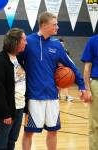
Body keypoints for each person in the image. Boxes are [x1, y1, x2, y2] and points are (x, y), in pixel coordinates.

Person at [18, 11, 87, 150]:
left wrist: (81, 85)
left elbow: (72, 66)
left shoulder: (57, 45)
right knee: (29, 132)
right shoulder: (28, 42)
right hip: (33, 96)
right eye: (54, 25)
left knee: (53, 131)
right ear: (44, 25)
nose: (57, 28)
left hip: (52, 96)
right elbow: (16, 62)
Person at [0, 28, 27, 150]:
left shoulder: (19, 58)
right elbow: (0, 90)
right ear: (16, 41)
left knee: (12, 140)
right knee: (1, 142)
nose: (26, 43)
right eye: (24, 40)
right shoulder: (1, 60)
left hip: (20, 106)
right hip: (7, 110)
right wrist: (5, 113)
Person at [81, 35, 97, 150]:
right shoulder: (93, 40)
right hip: (96, 83)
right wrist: (87, 89)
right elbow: (87, 68)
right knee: (95, 122)